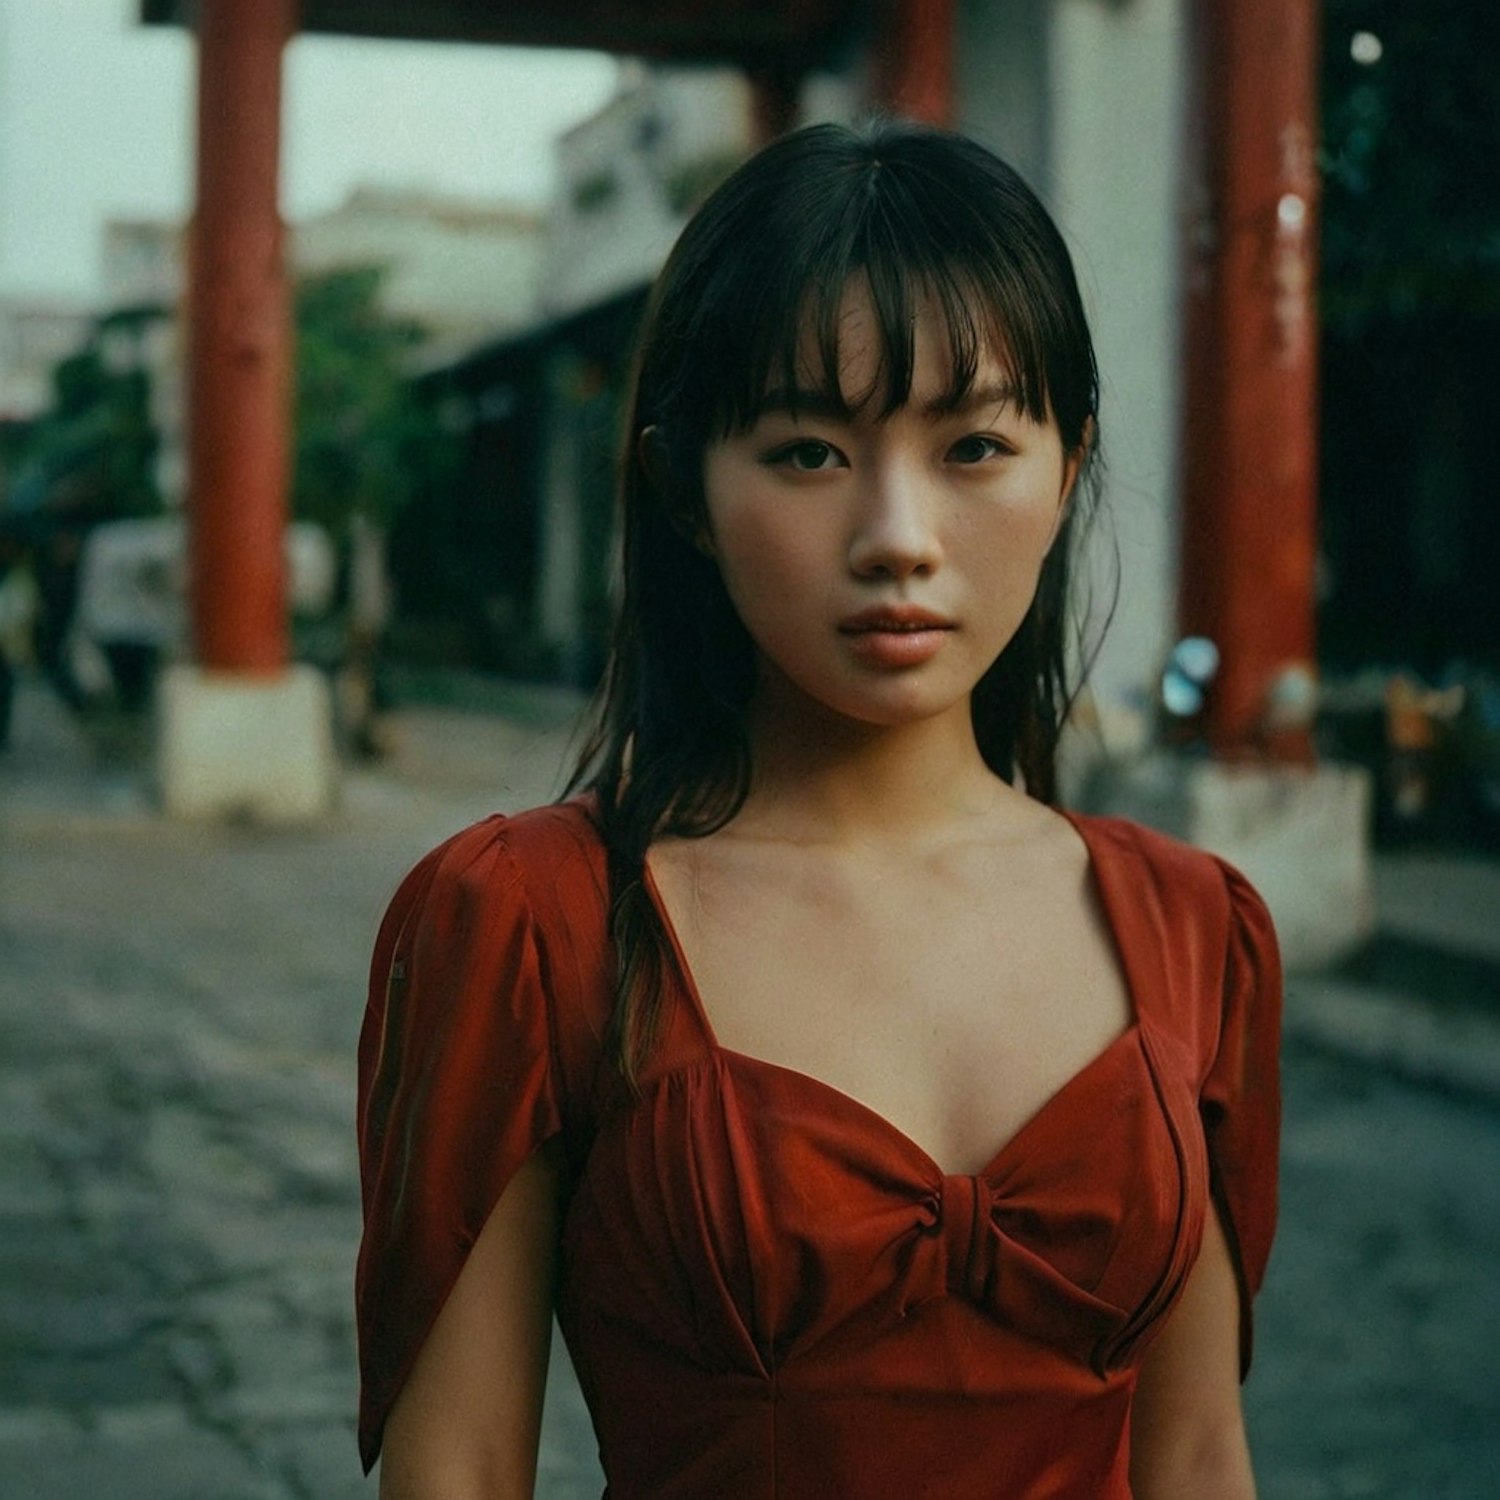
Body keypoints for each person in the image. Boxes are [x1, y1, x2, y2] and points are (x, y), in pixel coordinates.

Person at [356, 120, 1281, 1499]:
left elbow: (1199, 1457)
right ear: (683, 488)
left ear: (1069, 464)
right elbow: (462, 1474)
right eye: (806, 453)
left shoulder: (1193, 928)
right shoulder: (533, 924)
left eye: (974, 445)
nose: (897, 535)